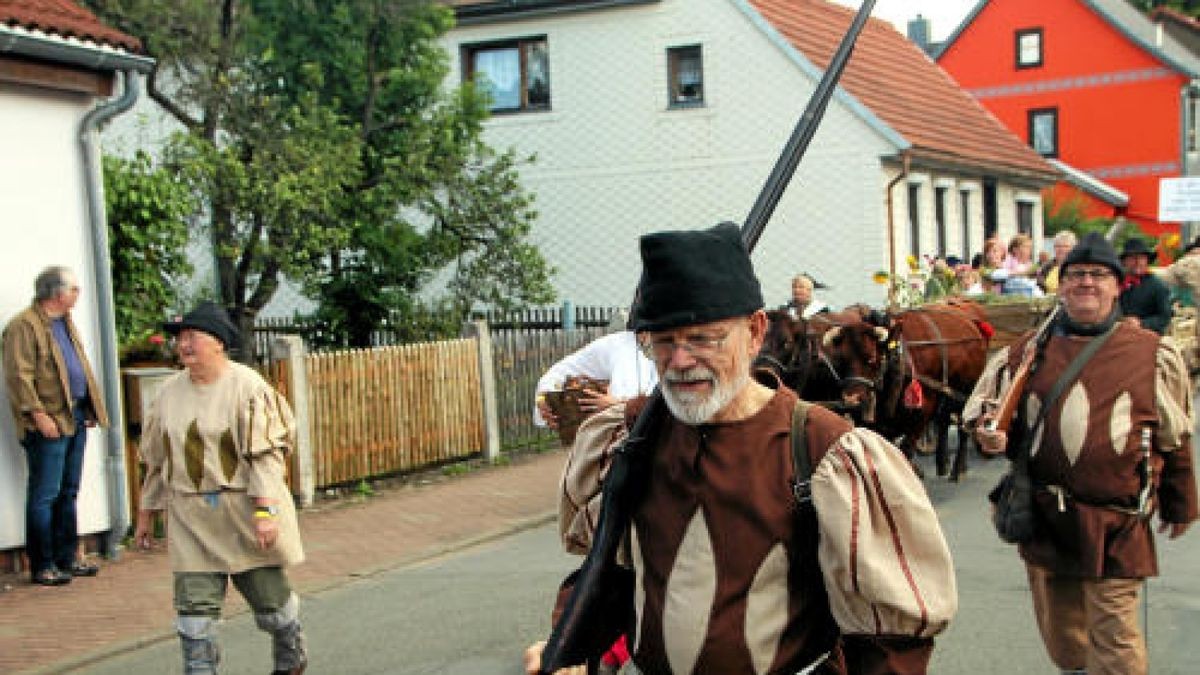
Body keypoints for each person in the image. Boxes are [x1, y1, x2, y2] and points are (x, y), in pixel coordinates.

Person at [525, 223, 956, 675]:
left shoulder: (823, 448)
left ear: (754, 332)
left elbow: (890, 644)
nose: (680, 361)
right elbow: (607, 573)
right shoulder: (632, 436)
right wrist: (566, 646)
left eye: (702, 338)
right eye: (664, 342)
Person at [965, 233, 1197, 675]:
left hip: (1118, 523)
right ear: (1061, 285)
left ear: (1116, 286)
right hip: (1045, 520)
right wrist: (990, 439)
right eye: (1075, 275)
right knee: (1065, 640)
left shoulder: (1151, 354)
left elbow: (1175, 439)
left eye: (1097, 275)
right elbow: (999, 430)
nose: (1086, 282)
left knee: (1115, 641)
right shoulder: (1024, 355)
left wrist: (1180, 501)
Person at [134, 302, 307, 675]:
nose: (184, 345)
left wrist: (265, 511)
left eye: (192, 336)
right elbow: (156, 461)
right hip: (191, 517)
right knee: (194, 616)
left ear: (218, 342)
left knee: (272, 606)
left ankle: (290, 653)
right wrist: (146, 514)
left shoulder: (247, 388)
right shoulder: (167, 394)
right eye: (181, 338)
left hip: (242, 512)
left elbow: (265, 457)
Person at [3, 265, 109, 587]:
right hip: (48, 419)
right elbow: (18, 376)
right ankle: (43, 564)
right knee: (45, 493)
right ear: (57, 293)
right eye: (74, 288)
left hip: (73, 415)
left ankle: (67, 558)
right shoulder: (24, 326)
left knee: (69, 490)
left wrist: (88, 406)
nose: (78, 294)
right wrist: (37, 414)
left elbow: (77, 370)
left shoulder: (65, 323)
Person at [534, 310, 657, 430]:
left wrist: (620, 405)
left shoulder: (666, 352)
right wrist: (543, 400)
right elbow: (560, 372)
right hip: (610, 435)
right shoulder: (620, 346)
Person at [1118, 238, 1172, 334]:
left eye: (1142, 258)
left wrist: (1141, 323)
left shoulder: (1158, 286)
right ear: (1124, 262)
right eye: (1132, 258)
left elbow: (1165, 317)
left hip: (1148, 337)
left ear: (1147, 261)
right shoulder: (1116, 283)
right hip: (1119, 334)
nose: (1137, 262)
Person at [1037, 230, 1078, 295]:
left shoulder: (1078, 267)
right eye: (1058, 246)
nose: (1061, 249)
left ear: (1074, 248)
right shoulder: (1046, 266)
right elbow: (1039, 287)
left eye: (1065, 246)